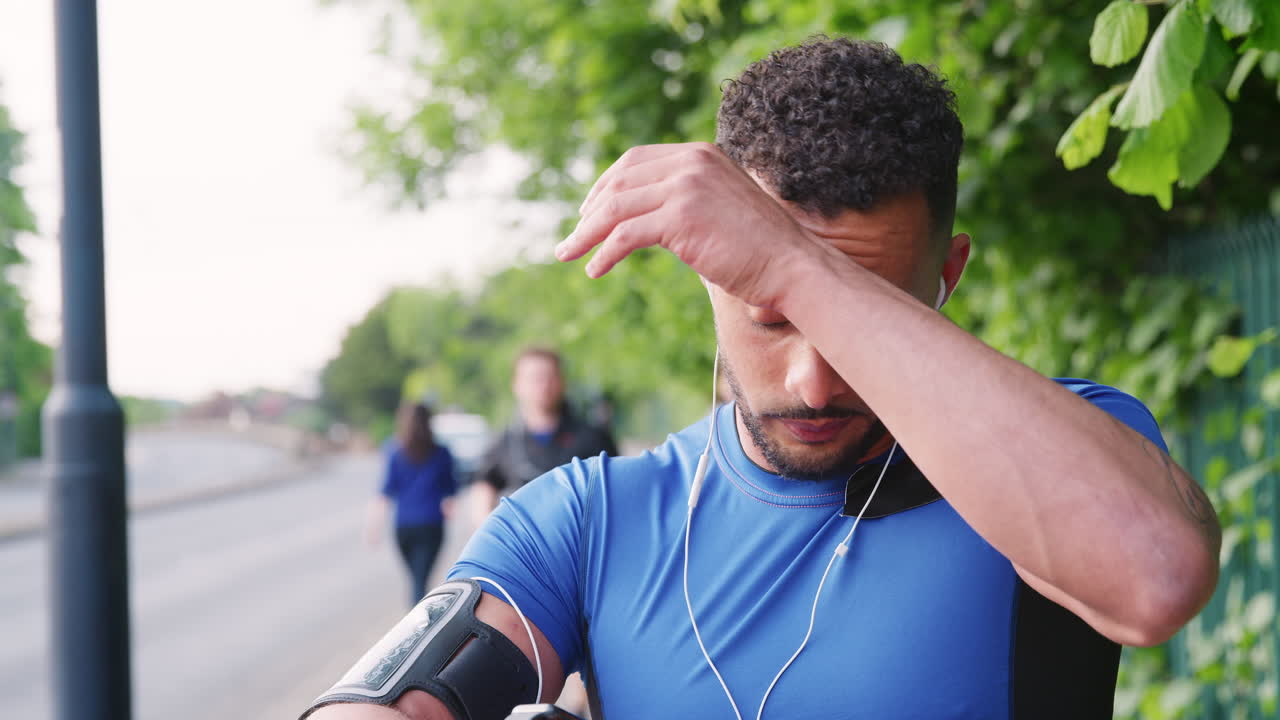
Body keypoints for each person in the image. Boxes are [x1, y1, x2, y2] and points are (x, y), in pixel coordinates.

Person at [306, 37, 1220, 720]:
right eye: (772, 315)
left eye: (860, 318)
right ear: (710, 272)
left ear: (946, 278)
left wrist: (794, 272)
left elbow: (1157, 577)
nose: (815, 380)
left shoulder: (1069, 441)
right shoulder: (591, 518)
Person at [471, 346, 617, 510]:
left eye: (550, 377)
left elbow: (616, 490)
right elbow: (483, 487)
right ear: (517, 384)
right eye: (535, 378)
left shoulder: (594, 438)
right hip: (525, 533)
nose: (544, 385)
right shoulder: (504, 443)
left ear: (563, 381)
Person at [366, 402, 457, 607]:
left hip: (403, 528)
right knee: (420, 580)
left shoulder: (393, 451)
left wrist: (374, 527)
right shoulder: (441, 452)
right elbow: (450, 490)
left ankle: (417, 621)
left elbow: (385, 492)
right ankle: (419, 624)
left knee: (416, 579)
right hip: (431, 525)